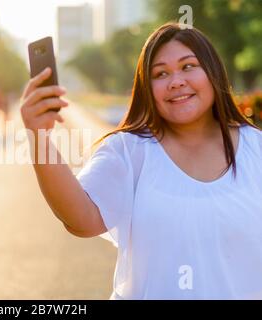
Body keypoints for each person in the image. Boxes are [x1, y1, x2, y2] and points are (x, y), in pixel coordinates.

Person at [19, 22, 262, 299]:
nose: (176, 81)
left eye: (188, 66)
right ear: (147, 88)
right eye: (160, 73)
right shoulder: (128, 150)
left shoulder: (256, 148)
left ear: (213, 72)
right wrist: (39, 137)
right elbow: (80, 220)